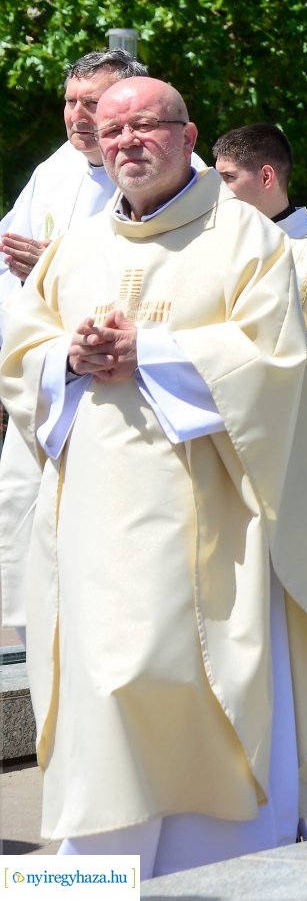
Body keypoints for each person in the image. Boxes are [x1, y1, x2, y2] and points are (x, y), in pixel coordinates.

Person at [0, 77, 307, 875]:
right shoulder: (73, 250)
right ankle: (82, 887)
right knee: (100, 740)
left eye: (146, 126)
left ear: (187, 133)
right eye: (112, 131)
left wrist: (155, 353)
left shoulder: (245, 238)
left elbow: (278, 366)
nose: (127, 142)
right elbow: (19, 353)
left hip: (213, 534)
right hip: (91, 535)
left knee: (211, 729)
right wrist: (66, 358)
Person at [0, 48, 150, 634]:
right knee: (17, 524)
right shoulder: (54, 172)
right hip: (43, 385)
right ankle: (19, 659)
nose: (78, 117)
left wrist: (55, 267)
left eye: (94, 104)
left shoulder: (165, 175)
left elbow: (159, 280)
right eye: (70, 102)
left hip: (115, 390)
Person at [212, 122, 307, 503]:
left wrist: (277, 357)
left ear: (267, 176)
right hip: (231, 426)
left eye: (227, 178)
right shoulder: (214, 252)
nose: (217, 192)